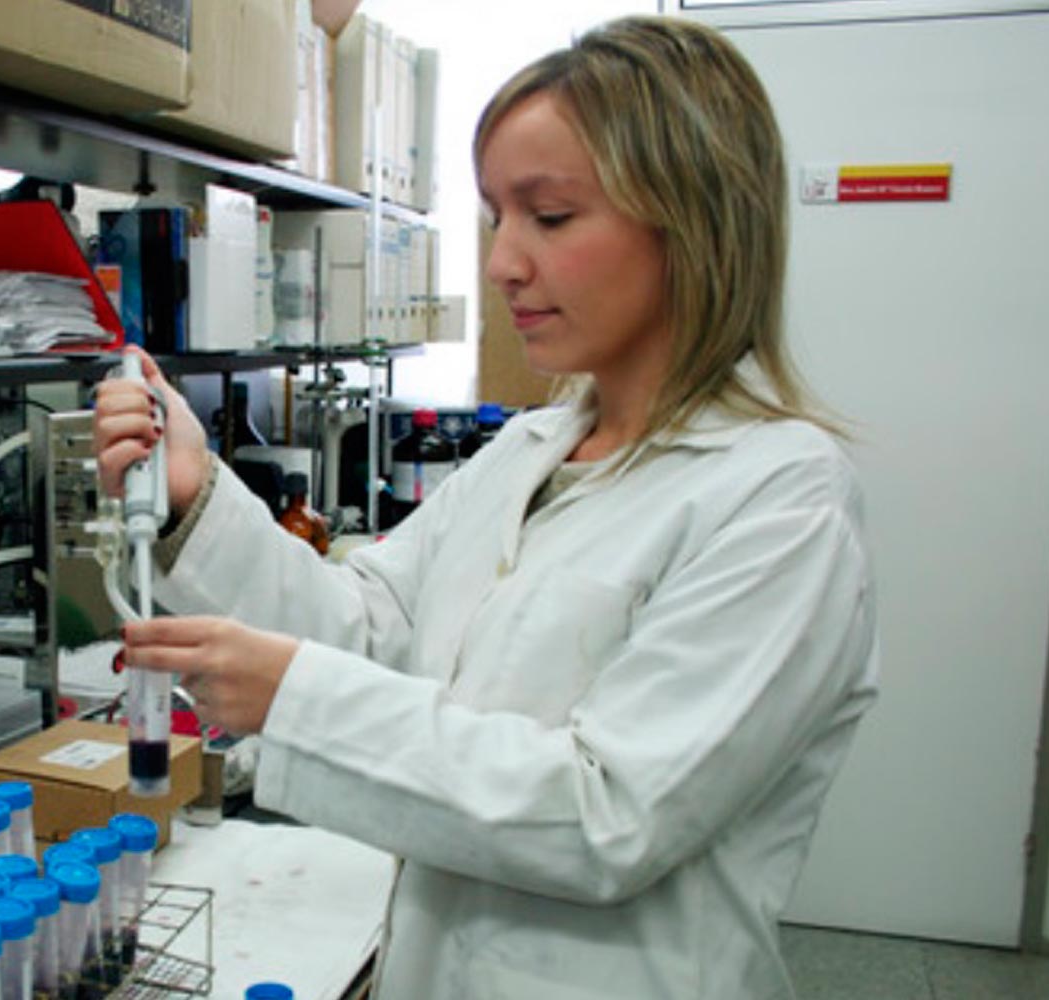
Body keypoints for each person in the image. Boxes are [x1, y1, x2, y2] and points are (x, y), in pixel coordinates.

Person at [95, 15, 878, 1000]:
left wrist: (294, 695)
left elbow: (606, 812)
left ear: (696, 220)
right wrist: (195, 495)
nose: (503, 262)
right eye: (495, 218)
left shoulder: (779, 500)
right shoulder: (529, 452)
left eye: (548, 217)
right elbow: (363, 627)